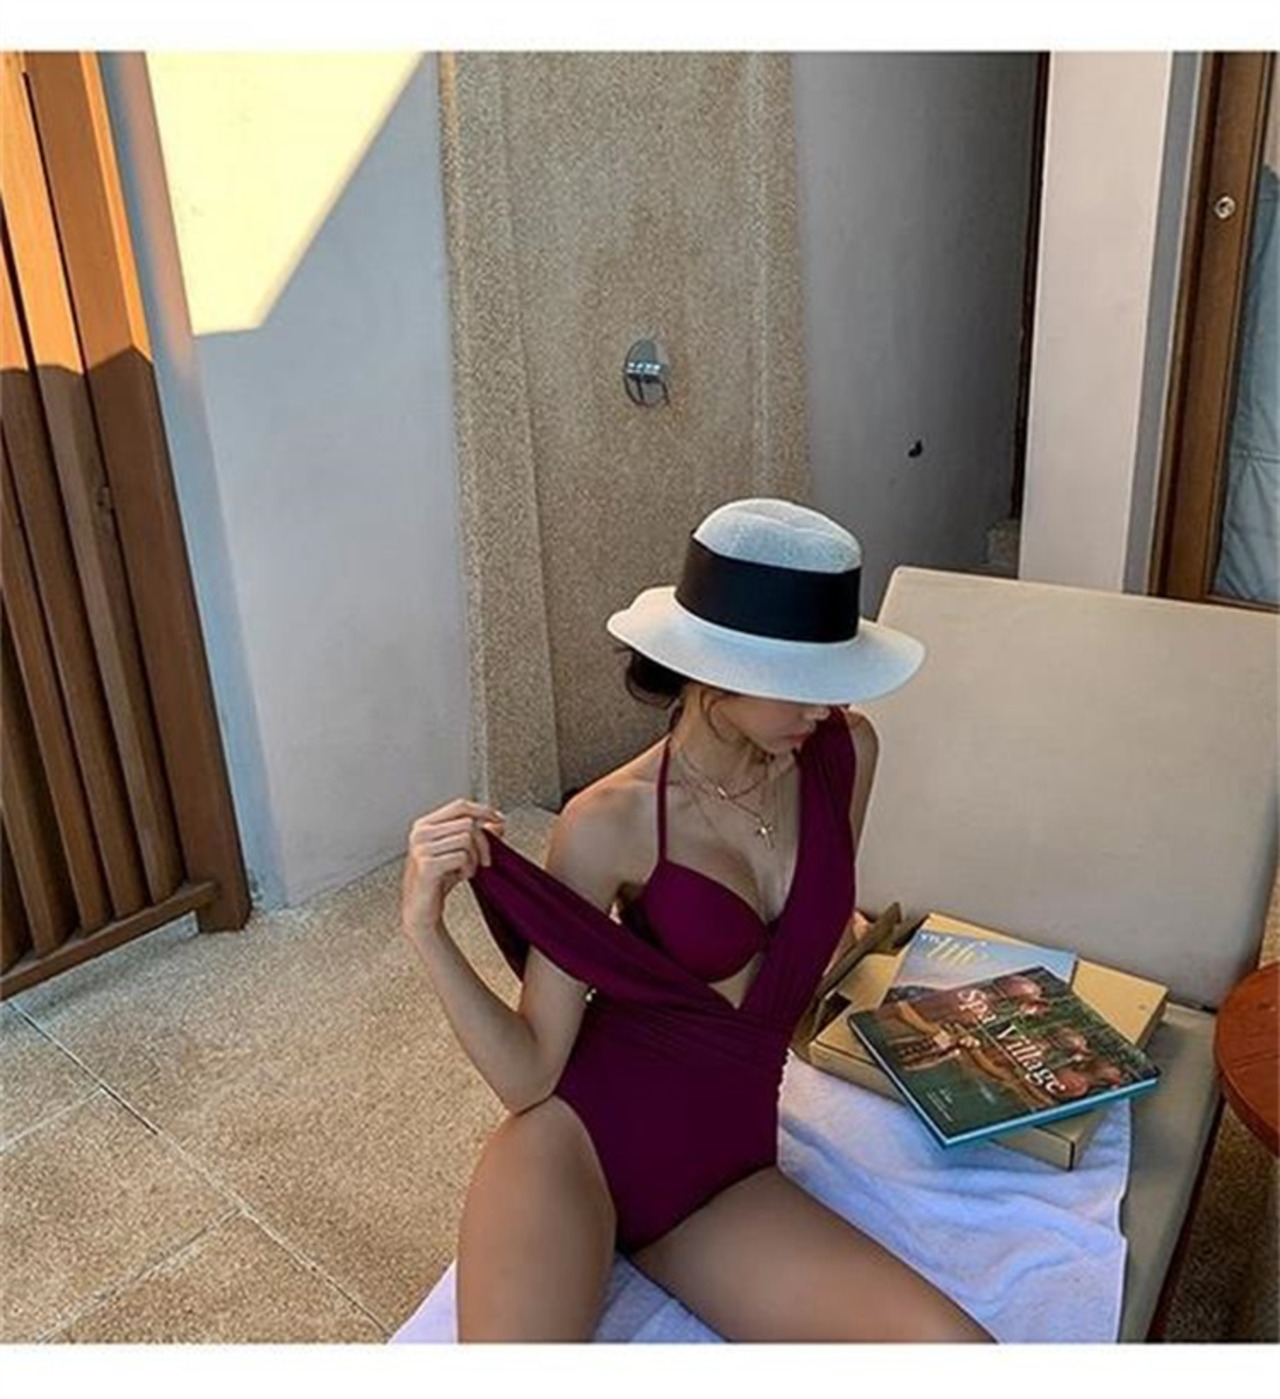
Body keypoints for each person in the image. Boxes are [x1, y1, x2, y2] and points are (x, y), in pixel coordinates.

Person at [401, 497, 992, 1342]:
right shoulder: (610, 820)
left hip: (727, 1176)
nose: (825, 705)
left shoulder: (846, 752)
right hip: (575, 1148)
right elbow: (530, 1073)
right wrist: (426, 928)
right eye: (804, 682)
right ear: (717, 674)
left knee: (956, 1352)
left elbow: (814, 943)